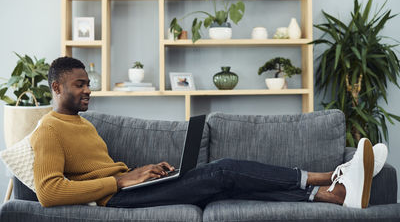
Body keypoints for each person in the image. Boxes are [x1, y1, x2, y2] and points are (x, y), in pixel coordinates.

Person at [31, 56, 387, 209]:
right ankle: (329, 176)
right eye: (79, 85)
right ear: (57, 88)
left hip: (126, 189)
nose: (88, 90)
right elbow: (48, 192)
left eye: (88, 84)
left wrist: (139, 173)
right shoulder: (48, 129)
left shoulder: (82, 123)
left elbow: (99, 169)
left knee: (229, 186)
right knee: (224, 169)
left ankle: (331, 196)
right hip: (116, 200)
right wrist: (120, 183)